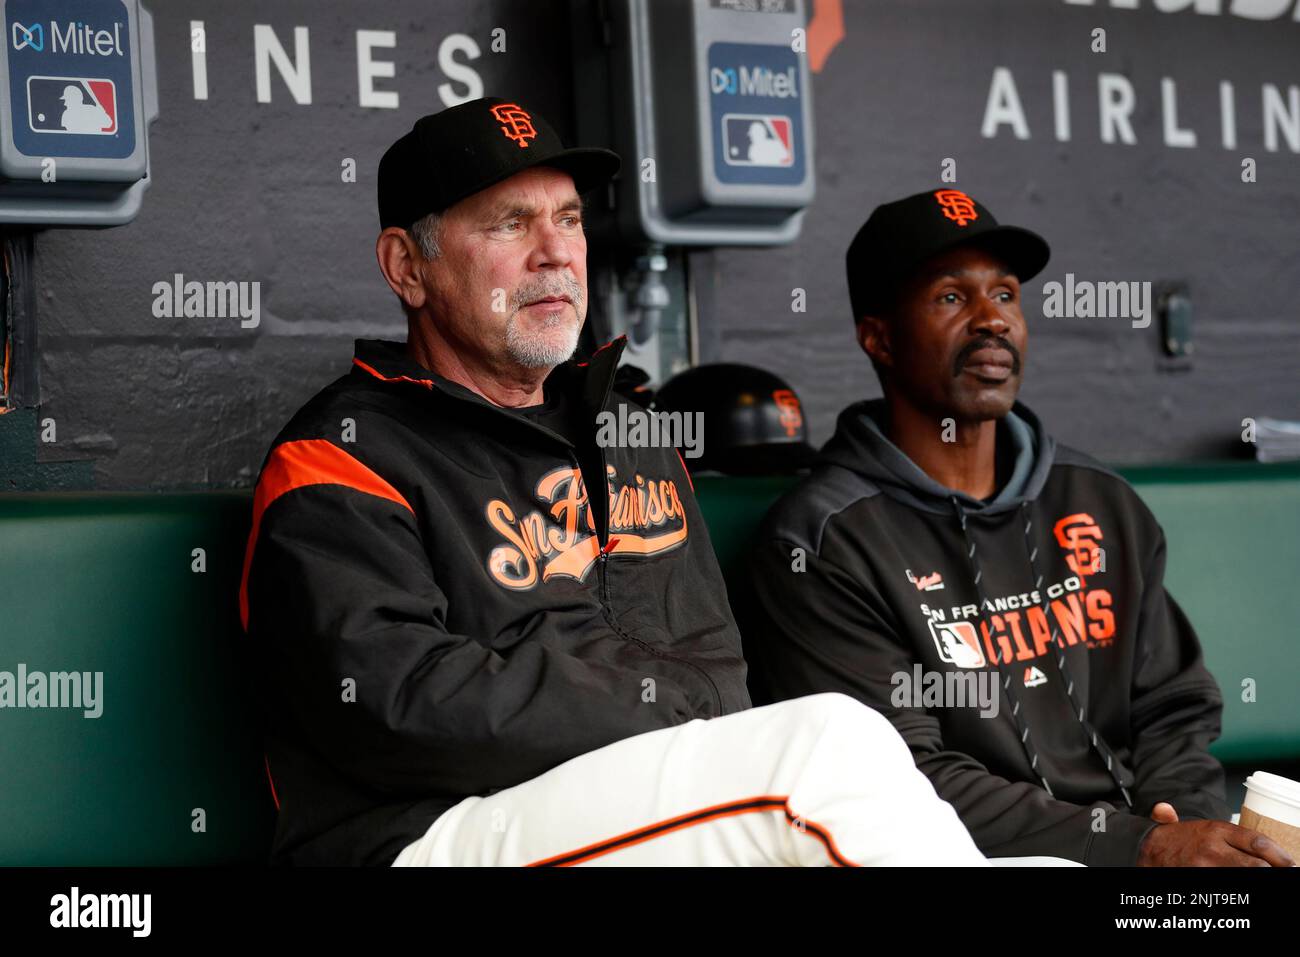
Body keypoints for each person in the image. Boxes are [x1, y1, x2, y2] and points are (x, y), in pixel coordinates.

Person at [239, 99, 986, 867]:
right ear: (407, 266)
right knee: (828, 746)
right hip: (422, 835)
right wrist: (668, 712)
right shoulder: (344, 452)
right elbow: (397, 707)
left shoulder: (631, 432)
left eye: (568, 219)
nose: (554, 252)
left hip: (633, 807)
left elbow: (714, 663)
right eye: (509, 224)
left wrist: (685, 724)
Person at [744, 188, 1296, 867]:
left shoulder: (1098, 499)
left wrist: (1183, 827)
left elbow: (1172, 706)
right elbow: (898, 779)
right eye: (951, 298)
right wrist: (1144, 847)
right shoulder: (822, 544)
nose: (991, 321)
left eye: (1004, 295)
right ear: (878, 337)